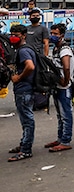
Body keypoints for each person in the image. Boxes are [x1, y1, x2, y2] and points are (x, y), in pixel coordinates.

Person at [8, 25, 36, 161]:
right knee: (25, 119)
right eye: (11, 33)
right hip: (25, 88)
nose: (13, 36)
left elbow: (30, 66)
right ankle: (24, 143)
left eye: (16, 34)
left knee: (27, 120)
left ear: (24, 35)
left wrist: (19, 77)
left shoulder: (23, 51)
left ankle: (26, 149)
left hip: (24, 88)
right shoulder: (25, 49)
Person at [45, 23, 74, 152]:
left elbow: (67, 67)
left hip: (64, 87)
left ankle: (66, 141)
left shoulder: (64, 49)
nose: (52, 36)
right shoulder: (56, 49)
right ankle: (60, 138)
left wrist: (65, 81)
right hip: (57, 85)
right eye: (51, 33)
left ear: (62, 35)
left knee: (66, 114)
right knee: (59, 115)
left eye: (55, 34)